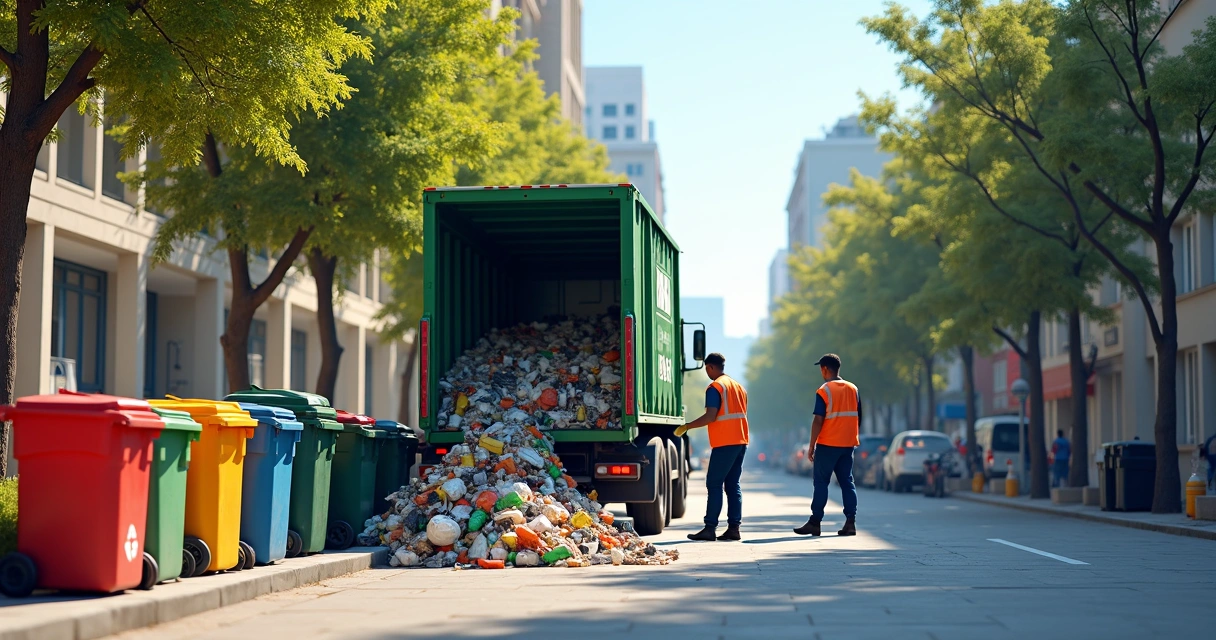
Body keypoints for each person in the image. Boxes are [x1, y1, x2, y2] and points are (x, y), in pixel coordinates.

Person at [676, 352, 749, 542]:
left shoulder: (715, 387)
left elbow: (710, 416)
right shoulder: (738, 387)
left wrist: (687, 426)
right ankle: (734, 528)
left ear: (710, 367)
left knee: (714, 484)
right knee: (733, 485)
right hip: (740, 441)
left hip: (725, 442)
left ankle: (710, 528)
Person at [795, 354, 860, 537]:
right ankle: (850, 522)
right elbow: (858, 415)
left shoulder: (824, 390)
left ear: (824, 369)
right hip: (848, 445)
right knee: (847, 482)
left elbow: (818, 419)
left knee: (821, 482)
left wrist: (811, 445)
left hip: (828, 444)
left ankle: (815, 522)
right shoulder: (853, 388)